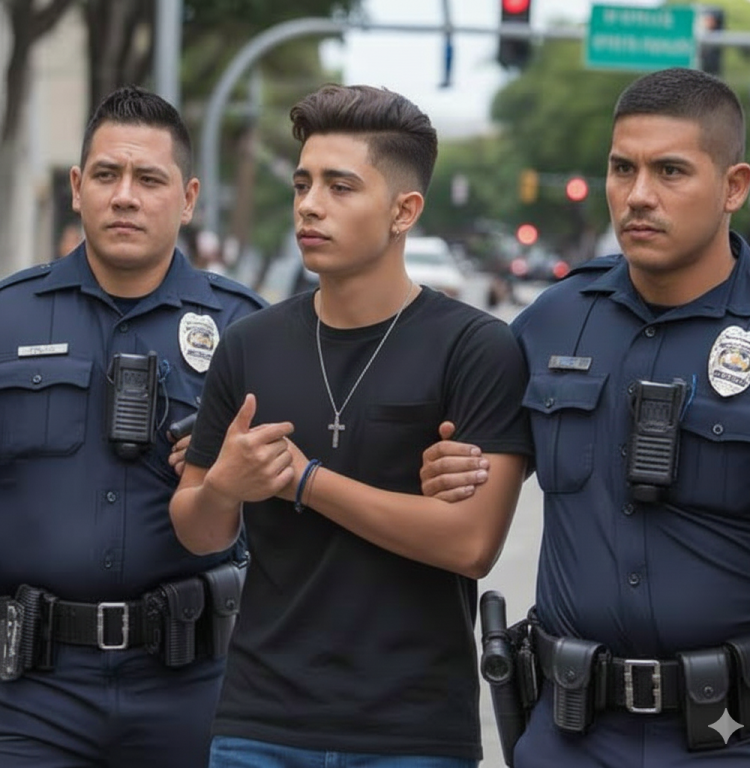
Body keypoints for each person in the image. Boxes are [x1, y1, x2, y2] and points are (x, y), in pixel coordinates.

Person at [169, 83, 532, 767]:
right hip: (258, 723)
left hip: (412, 731)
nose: (309, 204)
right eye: (304, 182)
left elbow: (471, 543)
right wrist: (226, 485)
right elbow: (198, 528)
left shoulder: (475, 348)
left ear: (405, 210)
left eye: (340, 187)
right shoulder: (250, 343)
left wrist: (305, 481)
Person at [420, 67, 750, 765]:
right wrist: (449, 468)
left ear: (734, 187)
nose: (638, 195)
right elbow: (472, 501)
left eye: (670, 171)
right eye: (622, 168)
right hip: (570, 735)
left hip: (737, 741)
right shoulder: (552, 321)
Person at [0, 85, 266, 768]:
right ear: (76, 187)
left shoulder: (245, 330)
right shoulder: (9, 319)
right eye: (106, 175)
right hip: (30, 694)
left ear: (187, 198)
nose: (125, 196)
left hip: (195, 686)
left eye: (149, 178)